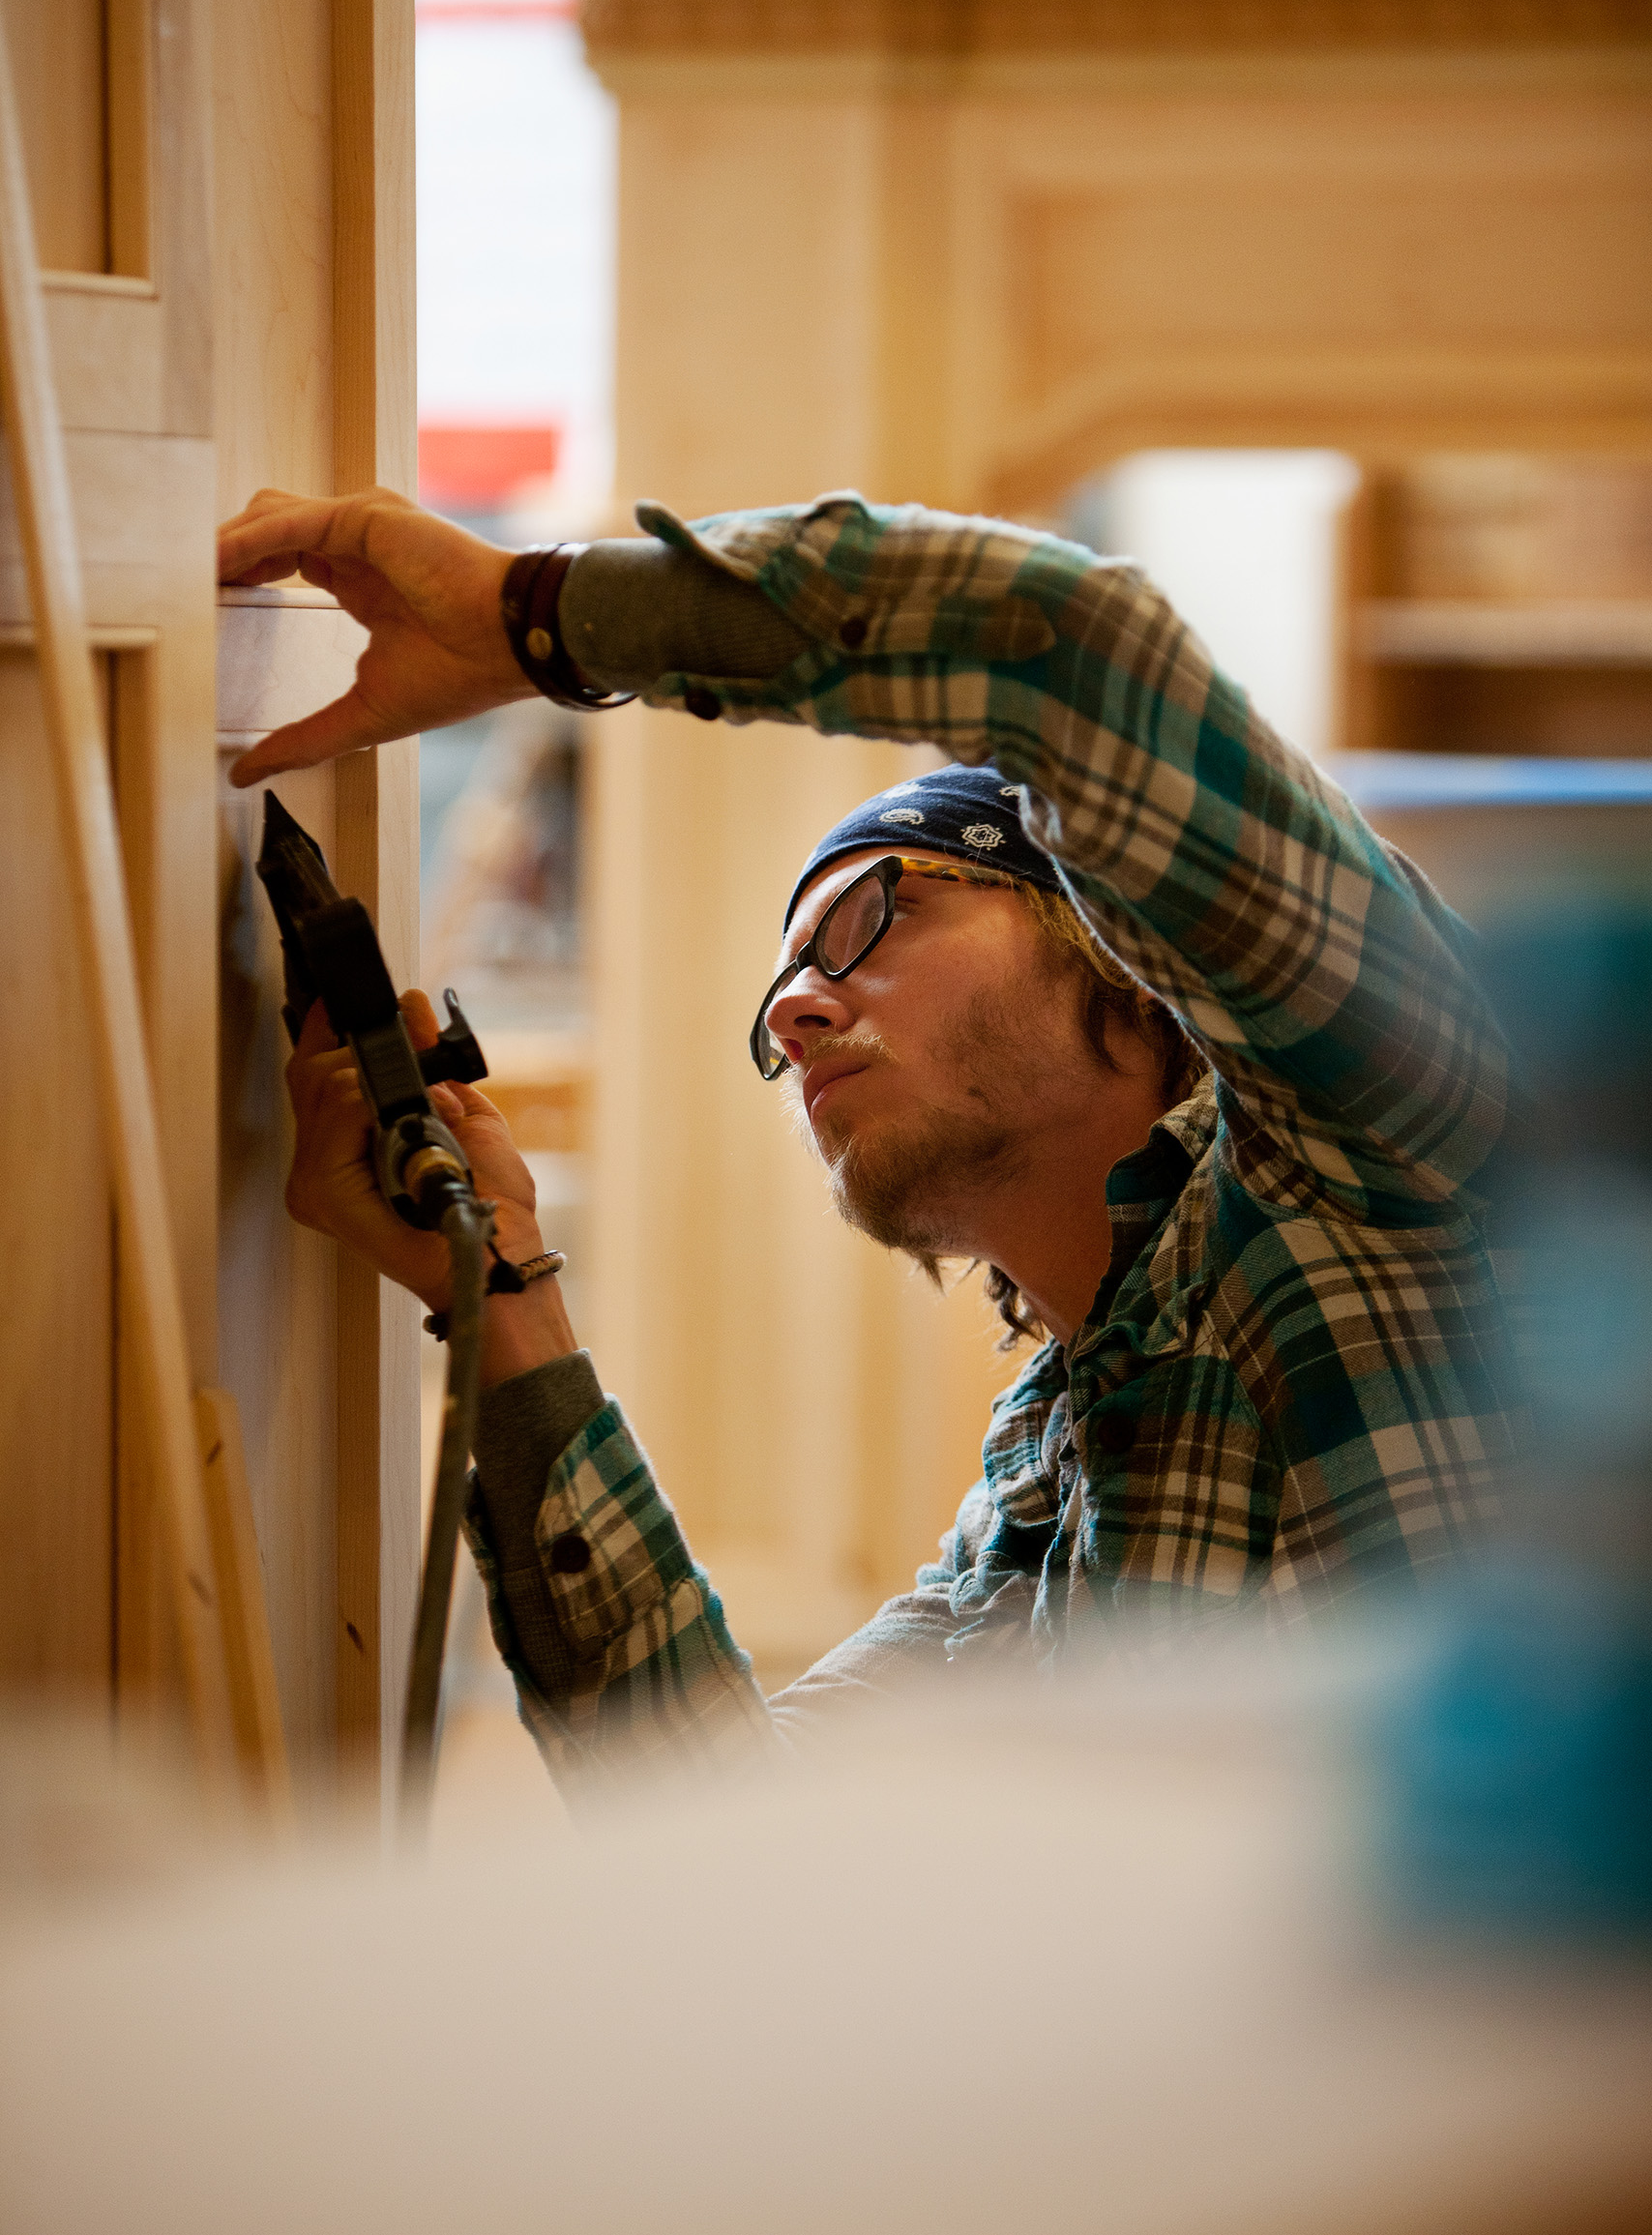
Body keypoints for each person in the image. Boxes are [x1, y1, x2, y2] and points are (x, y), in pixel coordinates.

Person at [221, 484, 1521, 1797]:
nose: (791, 1010)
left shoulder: (1371, 1142)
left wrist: (540, 618)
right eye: (778, 994)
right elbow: (729, 1842)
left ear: (1110, 945)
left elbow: (1073, 653)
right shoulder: (1030, 1516)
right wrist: (501, 1288)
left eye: (865, 923)